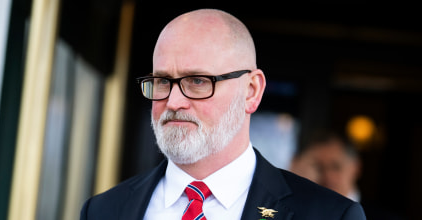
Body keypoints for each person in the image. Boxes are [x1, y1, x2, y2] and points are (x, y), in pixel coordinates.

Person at [80, 9, 366, 219]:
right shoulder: (103, 210)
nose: (174, 101)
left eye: (198, 81)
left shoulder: (330, 215)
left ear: (251, 91)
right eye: (163, 82)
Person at [290, 130, 403, 220]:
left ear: (356, 167)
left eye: (336, 167)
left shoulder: (386, 218)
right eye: (319, 168)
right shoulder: (292, 212)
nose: (328, 176)